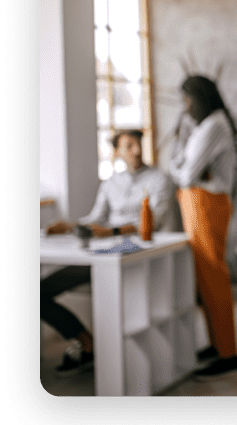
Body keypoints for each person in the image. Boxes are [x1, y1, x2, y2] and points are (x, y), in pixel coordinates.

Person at [42, 129, 173, 376]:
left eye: (138, 144)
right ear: (117, 152)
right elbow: (94, 219)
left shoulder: (159, 179)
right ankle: (85, 341)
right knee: (38, 291)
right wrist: (69, 226)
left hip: (135, 256)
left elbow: (153, 223)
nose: (135, 150)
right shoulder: (110, 183)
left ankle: (121, 361)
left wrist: (111, 231)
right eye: (128, 146)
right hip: (101, 254)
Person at [170, 75, 237, 380]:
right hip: (199, 204)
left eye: (188, 100)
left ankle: (228, 353)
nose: (185, 107)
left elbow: (185, 172)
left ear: (199, 97)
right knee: (204, 278)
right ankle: (218, 345)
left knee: (213, 276)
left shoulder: (214, 125)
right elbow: (184, 167)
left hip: (206, 204)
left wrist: (184, 168)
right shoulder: (206, 126)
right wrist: (185, 167)